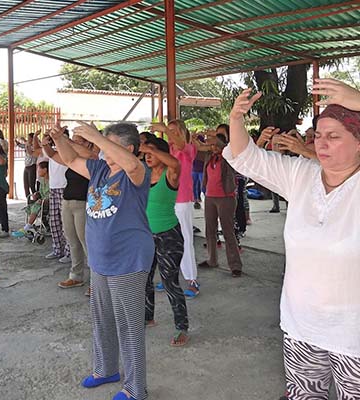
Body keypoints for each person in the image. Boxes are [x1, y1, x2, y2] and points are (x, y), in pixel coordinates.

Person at [228, 79, 360, 400]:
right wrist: (236, 119)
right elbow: (246, 157)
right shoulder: (301, 175)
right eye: (318, 136)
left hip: (354, 336)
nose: (320, 144)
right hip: (302, 327)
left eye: (333, 137)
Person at [51, 121, 154, 400]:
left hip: (129, 259)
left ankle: (135, 388)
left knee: (129, 326)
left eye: (109, 145)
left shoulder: (137, 172)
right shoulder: (99, 169)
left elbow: (132, 166)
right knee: (102, 319)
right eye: (102, 145)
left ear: (129, 149)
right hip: (100, 259)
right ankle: (106, 369)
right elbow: (71, 158)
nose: (102, 151)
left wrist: (96, 137)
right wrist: (59, 138)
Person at [140, 136, 189, 346]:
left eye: (152, 152)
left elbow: (175, 163)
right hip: (145, 236)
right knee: (145, 279)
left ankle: (181, 327)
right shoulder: (143, 174)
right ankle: (147, 317)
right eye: (145, 153)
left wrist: (148, 147)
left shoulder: (170, 173)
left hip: (168, 236)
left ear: (162, 154)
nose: (147, 156)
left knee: (170, 282)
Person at [152, 120, 200, 298]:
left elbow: (180, 143)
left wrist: (165, 130)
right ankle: (168, 279)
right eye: (168, 132)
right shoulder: (167, 151)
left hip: (182, 202)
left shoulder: (188, 149)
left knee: (185, 240)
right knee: (165, 242)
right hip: (166, 202)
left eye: (174, 131)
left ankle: (192, 280)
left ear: (182, 132)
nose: (170, 135)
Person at [198, 134, 243, 276]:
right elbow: (197, 148)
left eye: (216, 145)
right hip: (210, 197)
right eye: (212, 145)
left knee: (227, 231)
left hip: (226, 198)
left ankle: (235, 265)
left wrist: (214, 139)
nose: (214, 148)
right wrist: (194, 138)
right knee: (209, 230)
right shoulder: (209, 157)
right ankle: (212, 259)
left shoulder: (228, 158)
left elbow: (224, 148)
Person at [56, 134, 97, 289]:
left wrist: (65, 141)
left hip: (83, 203)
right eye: (73, 139)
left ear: (88, 144)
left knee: (86, 242)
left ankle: (96, 281)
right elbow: (54, 155)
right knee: (72, 241)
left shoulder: (92, 161)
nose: (74, 143)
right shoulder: (73, 160)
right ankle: (76, 275)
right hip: (67, 202)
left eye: (78, 141)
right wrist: (53, 141)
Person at [39, 132, 70, 263]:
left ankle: (69, 253)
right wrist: (44, 141)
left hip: (65, 187)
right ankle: (58, 249)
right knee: (54, 221)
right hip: (53, 188)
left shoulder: (69, 150)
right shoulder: (52, 150)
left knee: (66, 223)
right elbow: (46, 152)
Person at [12, 161, 50, 236]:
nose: (37, 171)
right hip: (41, 201)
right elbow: (41, 192)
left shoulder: (51, 181)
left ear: (45, 170)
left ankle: (26, 228)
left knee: (36, 206)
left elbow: (51, 195)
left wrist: (43, 200)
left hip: (48, 203)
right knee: (31, 205)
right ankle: (28, 226)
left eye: (39, 169)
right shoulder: (42, 181)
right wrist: (37, 194)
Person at [16, 132, 38, 200]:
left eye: (29, 138)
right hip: (26, 166)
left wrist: (26, 143)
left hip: (32, 166)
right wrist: (17, 141)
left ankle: (35, 199)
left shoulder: (35, 146)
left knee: (32, 184)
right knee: (26, 185)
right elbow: (20, 145)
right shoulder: (27, 145)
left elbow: (30, 152)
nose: (28, 139)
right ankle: (28, 200)